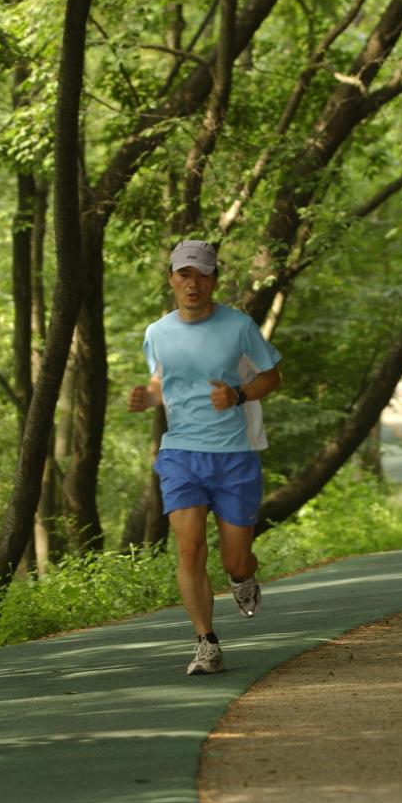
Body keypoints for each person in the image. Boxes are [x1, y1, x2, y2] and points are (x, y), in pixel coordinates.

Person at [128, 240, 282, 675]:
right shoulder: (157, 332)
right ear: (172, 279)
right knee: (190, 546)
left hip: (235, 454)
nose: (192, 282)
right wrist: (147, 399)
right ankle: (206, 642)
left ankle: (242, 577)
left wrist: (237, 394)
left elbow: (272, 377)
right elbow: (161, 382)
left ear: (214, 279)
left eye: (201, 274)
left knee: (235, 559)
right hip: (181, 454)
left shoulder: (239, 326)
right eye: (184, 274)